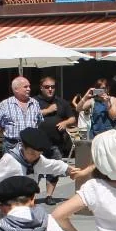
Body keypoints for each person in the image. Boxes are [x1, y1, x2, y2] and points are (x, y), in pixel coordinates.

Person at [0, 126, 74, 193]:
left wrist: (70, 169)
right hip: (12, 203)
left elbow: (53, 165)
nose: (35, 157)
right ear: (23, 147)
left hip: (29, 202)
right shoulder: (10, 159)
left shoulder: (38, 160)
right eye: (32, 153)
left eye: (38, 154)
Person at [34, 76, 76, 204]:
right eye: (47, 87)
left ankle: (49, 196)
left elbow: (72, 118)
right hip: (37, 144)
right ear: (41, 88)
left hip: (56, 143)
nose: (50, 89)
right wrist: (47, 111)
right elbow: (31, 115)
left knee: (54, 170)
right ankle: (31, 196)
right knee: (36, 171)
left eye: (52, 87)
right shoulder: (34, 102)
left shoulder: (61, 102)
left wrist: (65, 122)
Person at [0, 77, 43, 153]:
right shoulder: (4, 104)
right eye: (25, 87)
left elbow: (39, 121)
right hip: (11, 145)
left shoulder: (35, 103)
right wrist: (4, 132)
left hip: (31, 145)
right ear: (16, 89)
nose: (29, 89)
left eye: (29, 86)